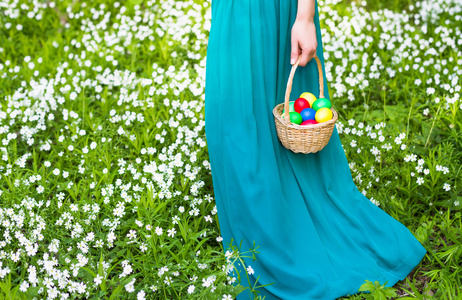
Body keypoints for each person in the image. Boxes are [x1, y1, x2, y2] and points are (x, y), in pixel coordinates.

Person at [204, 0, 427, 299]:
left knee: (285, 111)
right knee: (235, 122)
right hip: (234, 9)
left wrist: (305, 16)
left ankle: (291, 238)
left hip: (283, 9)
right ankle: (261, 226)